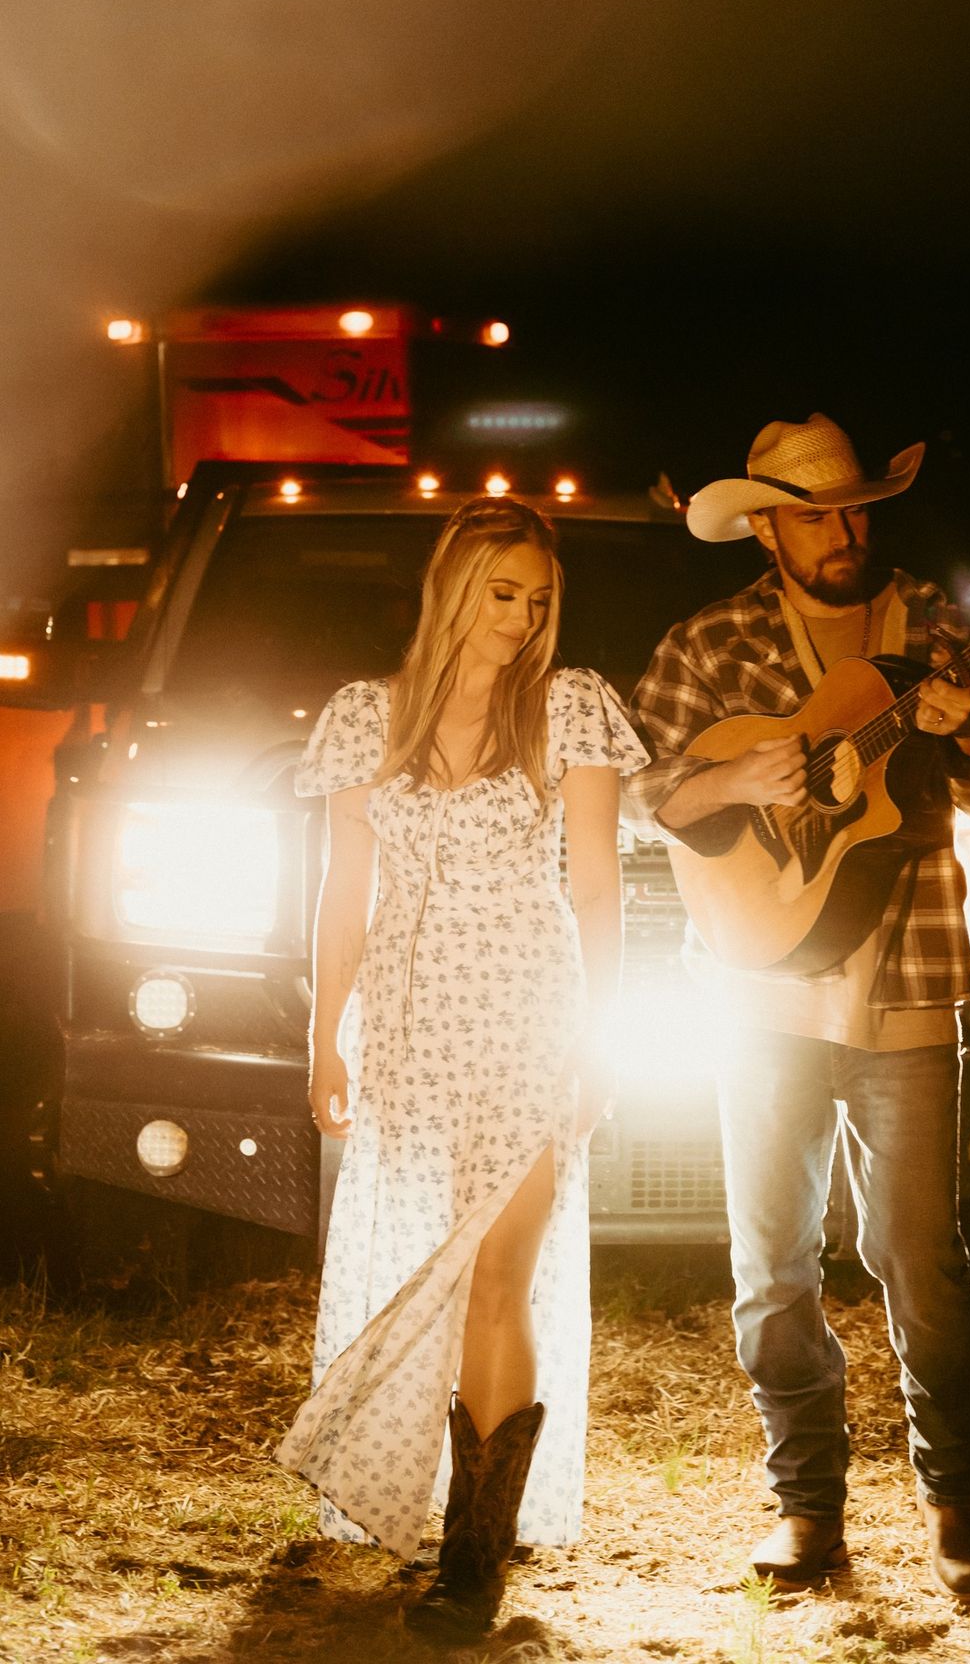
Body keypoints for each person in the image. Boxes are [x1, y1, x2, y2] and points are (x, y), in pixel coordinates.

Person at [624, 413, 970, 1604]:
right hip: (760, 987)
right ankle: (807, 1506)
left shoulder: (940, 630)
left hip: (908, 979)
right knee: (770, 1265)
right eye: (815, 513)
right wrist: (728, 777)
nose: (844, 531)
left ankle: (955, 1505)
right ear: (766, 527)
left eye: (858, 507)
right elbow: (635, 792)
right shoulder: (714, 644)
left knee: (922, 1262)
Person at [276, 496, 647, 1643]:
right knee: (427, 1269)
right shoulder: (363, 718)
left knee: (499, 1273)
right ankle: (434, 1505)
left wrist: (601, 1036)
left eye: (539, 599)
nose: (523, 618)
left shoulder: (571, 710)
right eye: (502, 593)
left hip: (529, 1017)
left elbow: (597, 891)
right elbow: (343, 896)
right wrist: (322, 1032)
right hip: (406, 1027)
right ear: (452, 589)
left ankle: (474, 1558)